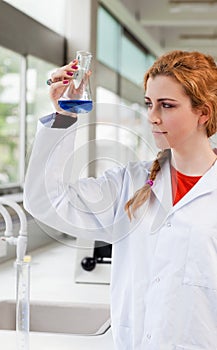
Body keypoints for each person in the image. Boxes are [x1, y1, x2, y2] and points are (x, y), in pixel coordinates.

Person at [23, 50, 217, 349]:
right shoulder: (129, 185)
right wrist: (64, 116)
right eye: (149, 104)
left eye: (167, 105)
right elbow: (47, 201)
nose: (152, 117)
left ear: (203, 113)